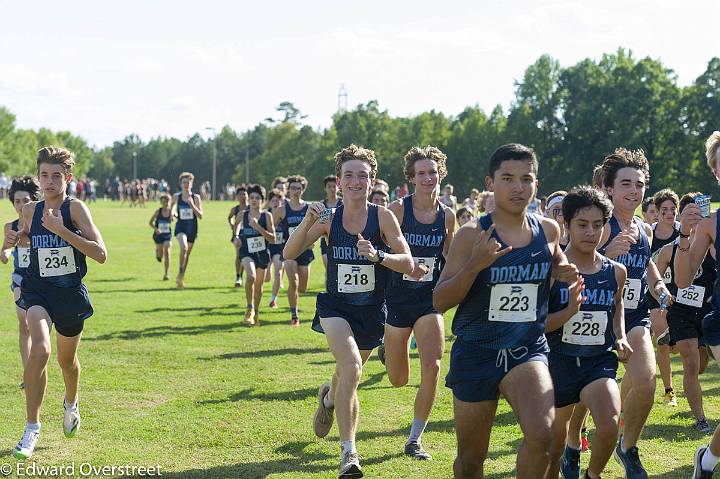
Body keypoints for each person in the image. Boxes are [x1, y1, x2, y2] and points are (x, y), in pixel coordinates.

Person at [434, 143, 578, 479]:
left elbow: (554, 258)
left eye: (526, 179)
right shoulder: (473, 234)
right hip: (477, 353)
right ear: (490, 182)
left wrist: (562, 267)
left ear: (536, 185)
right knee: (471, 460)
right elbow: (439, 300)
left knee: (543, 436)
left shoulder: (548, 230)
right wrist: (475, 265)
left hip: (526, 350)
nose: (518, 187)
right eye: (508, 178)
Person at [284, 144, 413, 478]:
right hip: (335, 308)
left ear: (372, 182)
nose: (356, 181)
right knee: (353, 366)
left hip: (371, 311)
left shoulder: (382, 217)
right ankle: (349, 454)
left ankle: (327, 399)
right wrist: (308, 221)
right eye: (349, 175)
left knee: (346, 374)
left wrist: (379, 257)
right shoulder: (329, 217)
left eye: (363, 176)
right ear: (339, 182)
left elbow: (409, 262)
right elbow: (290, 251)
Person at [4, 147, 107, 460]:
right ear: (38, 176)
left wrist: (62, 230)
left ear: (68, 178)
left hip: (69, 296)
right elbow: (23, 237)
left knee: (67, 362)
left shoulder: (76, 209)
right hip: (37, 291)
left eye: (56, 176)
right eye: (44, 175)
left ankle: (71, 402)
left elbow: (101, 253)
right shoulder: (31, 210)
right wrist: (10, 242)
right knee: (41, 348)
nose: (49, 181)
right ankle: (32, 427)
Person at [545, 186, 632, 479]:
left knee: (609, 424)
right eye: (582, 225)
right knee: (554, 445)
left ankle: (592, 475)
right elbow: (537, 325)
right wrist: (568, 312)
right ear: (566, 224)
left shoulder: (616, 271)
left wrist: (619, 336)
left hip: (597, 362)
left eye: (597, 225)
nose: (590, 232)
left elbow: (618, 305)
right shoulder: (552, 271)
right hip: (557, 362)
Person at [597, 148, 672, 478]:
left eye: (639, 184)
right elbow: (575, 264)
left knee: (646, 381)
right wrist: (605, 252)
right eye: (625, 183)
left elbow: (647, 265)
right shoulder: (598, 225)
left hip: (635, 317)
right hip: (595, 318)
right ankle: (571, 446)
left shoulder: (645, 229)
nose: (634, 191)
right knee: (582, 398)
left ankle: (627, 447)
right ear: (610, 188)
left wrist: (660, 287)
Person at [384, 146, 455, 459]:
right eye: (421, 173)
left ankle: (414, 440)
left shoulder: (447, 216)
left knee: (433, 366)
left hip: (429, 301)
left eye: (433, 171)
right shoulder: (398, 211)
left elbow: (451, 260)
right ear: (411, 179)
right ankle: (331, 394)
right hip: (395, 302)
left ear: (440, 174)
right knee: (398, 380)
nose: (428, 177)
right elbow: (377, 254)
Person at [675, 131, 720, 478]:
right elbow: (684, 280)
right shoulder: (710, 224)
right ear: (716, 174)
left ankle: (706, 462)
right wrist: (686, 238)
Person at [656, 192, 713, 433]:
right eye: (688, 212)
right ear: (681, 216)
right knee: (690, 364)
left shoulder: (712, 245)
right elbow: (656, 277)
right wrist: (661, 298)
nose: (693, 217)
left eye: (697, 212)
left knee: (701, 365)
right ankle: (700, 419)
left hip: (709, 311)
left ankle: (672, 340)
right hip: (681, 312)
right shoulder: (670, 250)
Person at [0, 176, 41, 388]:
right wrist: (5, 253)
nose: (21, 205)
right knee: (24, 324)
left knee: (38, 328)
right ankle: (28, 373)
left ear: (33, 200)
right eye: (17, 201)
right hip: (21, 280)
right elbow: (5, 248)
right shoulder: (10, 226)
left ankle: (37, 367)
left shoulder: (42, 224)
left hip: (42, 281)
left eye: (25, 200)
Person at [648, 189, 681, 406]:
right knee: (663, 340)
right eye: (664, 210)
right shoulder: (648, 234)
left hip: (681, 294)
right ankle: (669, 391)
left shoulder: (683, 234)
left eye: (673, 209)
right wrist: (661, 298)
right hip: (654, 293)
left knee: (681, 348)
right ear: (657, 213)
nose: (669, 214)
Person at [273, 175, 315, 326]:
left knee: (302, 287)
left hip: (306, 251)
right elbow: (271, 228)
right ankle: (294, 314)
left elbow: (318, 228)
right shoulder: (282, 210)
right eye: (293, 188)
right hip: (290, 251)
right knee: (294, 282)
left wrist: (312, 240)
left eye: (299, 188)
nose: (295, 191)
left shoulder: (309, 208)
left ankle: (294, 303)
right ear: (288, 190)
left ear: (303, 190)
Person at [237, 184, 275, 325]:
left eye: (257, 198)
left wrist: (258, 227)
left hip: (262, 254)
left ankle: (256, 311)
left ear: (262, 200)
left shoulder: (267, 216)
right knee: (251, 276)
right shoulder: (243, 214)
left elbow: (273, 238)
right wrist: (235, 237)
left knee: (259, 286)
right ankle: (249, 307)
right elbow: (235, 226)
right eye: (252, 197)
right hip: (247, 252)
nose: (254, 200)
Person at [171, 172, 203, 289]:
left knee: (187, 254)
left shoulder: (196, 197)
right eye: (184, 182)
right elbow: (173, 208)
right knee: (183, 248)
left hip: (192, 228)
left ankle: (181, 277)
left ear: (191, 183)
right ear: (180, 184)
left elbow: (200, 215)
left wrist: (192, 204)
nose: (186, 184)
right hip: (181, 226)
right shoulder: (176, 196)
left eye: (188, 182)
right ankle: (180, 271)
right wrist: (173, 214)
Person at [266, 189, 285, 309]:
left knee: (278, 272)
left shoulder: (284, 216)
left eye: (278, 200)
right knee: (266, 277)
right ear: (269, 202)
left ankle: (273, 300)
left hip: (279, 248)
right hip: (266, 248)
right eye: (273, 201)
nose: (275, 203)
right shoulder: (265, 215)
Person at [148, 193, 173, 280]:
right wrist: (156, 229)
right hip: (158, 235)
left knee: (167, 251)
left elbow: (177, 218)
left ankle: (166, 273)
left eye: (166, 202)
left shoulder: (171, 212)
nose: (165, 204)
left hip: (167, 235)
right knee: (160, 255)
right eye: (163, 202)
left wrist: (174, 218)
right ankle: (158, 252)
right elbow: (150, 223)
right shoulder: (158, 212)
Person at [321, 175, 342, 271]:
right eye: (329, 186)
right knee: (329, 270)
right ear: (325, 188)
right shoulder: (321, 205)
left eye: (334, 186)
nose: (332, 189)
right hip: (325, 241)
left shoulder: (344, 203)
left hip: (341, 239)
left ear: (338, 187)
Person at [228, 186, 248, 287]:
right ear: (237, 197)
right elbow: (229, 217)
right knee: (239, 255)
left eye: (244, 194)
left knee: (246, 256)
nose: (242, 196)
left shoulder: (250, 208)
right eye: (240, 194)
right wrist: (232, 225)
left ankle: (243, 275)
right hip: (238, 235)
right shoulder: (235, 209)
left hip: (249, 234)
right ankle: (238, 276)